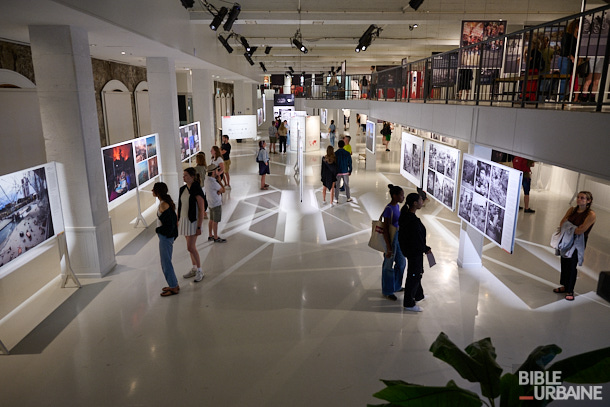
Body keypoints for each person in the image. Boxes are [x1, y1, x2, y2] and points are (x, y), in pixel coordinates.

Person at [554, 191, 596, 301]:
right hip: (566, 239)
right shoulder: (572, 210)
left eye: (582, 198)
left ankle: (570, 290)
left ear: (588, 201)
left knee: (572, 264)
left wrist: (569, 227)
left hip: (578, 242)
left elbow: (581, 230)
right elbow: (562, 223)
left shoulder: (590, 214)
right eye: (578, 197)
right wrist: (572, 228)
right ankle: (565, 285)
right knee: (564, 262)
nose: (579, 199)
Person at [399, 192, 432, 312]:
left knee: (417, 273)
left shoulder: (407, 216)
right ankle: (409, 302)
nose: (422, 202)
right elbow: (415, 240)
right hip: (414, 252)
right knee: (414, 275)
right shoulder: (411, 220)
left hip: (414, 251)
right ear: (415, 203)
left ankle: (419, 295)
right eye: (420, 200)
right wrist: (425, 248)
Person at [178, 167, 206, 282]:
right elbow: (180, 205)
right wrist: (178, 219)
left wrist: (199, 226)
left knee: (191, 247)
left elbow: (201, 209)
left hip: (193, 221)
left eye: (186, 175)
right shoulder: (182, 189)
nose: (183, 177)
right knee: (190, 248)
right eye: (183, 175)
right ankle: (194, 268)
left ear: (192, 177)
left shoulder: (196, 189)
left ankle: (200, 270)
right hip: (184, 220)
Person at [152, 182, 180, 297]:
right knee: (166, 261)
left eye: (153, 189)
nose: (151, 191)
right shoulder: (165, 203)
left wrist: (158, 231)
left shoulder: (164, 205)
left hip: (165, 237)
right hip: (166, 237)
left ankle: (173, 287)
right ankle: (173, 284)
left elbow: (170, 225)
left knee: (166, 262)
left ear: (157, 192)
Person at [381, 184, 406, 301]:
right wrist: (389, 247)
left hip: (398, 238)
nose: (403, 197)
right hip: (391, 240)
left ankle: (396, 285)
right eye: (401, 195)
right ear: (395, 196)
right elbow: (386, 230)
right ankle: (387, 290)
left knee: (401, 263)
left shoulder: (397, 207)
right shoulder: (389, 209)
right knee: (388, 266)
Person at [204, 164, 226, 243]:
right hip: (216, 203)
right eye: (217, 170)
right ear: (213, 172)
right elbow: (223, 190)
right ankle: (216, 237)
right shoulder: (214, 182)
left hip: (210, 203)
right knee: (215, 221)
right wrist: (220, 181)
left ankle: (210, 235)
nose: (218, 172)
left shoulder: (207, 180)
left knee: (211, 219)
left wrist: (219, 190)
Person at [558, 20, 579, 101]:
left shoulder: (575, 36)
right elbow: (565, 48)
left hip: (569, 59)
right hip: (566, 58)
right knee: (564, 78)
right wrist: (571, 56)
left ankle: (564, 96)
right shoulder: (567, 36)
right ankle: (561, 97)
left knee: (568, 79)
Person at [193, 152, 209, 219]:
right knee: (203, 198)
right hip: (204, 185)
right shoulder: (205, 167)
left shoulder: (196, 169)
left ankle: (203, 212)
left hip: (199, 186)